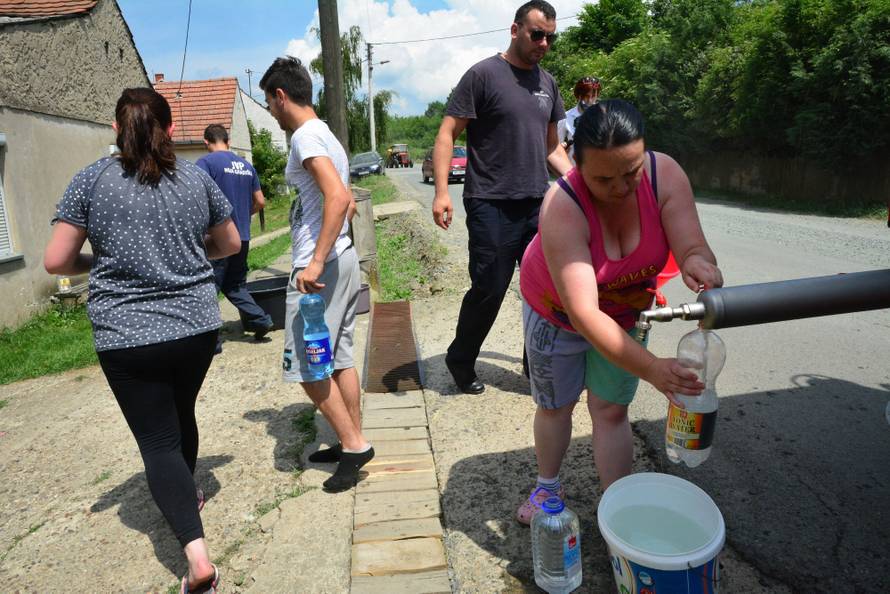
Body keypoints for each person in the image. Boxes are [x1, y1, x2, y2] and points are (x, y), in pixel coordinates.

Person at [44, 88, 241, 591]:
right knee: (181, 414)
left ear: (116, 128)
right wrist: (184, 253)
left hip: (127, 335)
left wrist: (100, 261)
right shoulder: (196, 178)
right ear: (171, 130)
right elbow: (230, 244)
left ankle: (197, 559)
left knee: (157, 439)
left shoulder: (90, 180)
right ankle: (186, 492)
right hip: (195, 327)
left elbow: (57, 261)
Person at [516, 99, 724, 524]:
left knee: (611, 409)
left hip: (627, 309)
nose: (621, 188)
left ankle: (618, 506)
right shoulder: (562, 204)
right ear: (576, 166)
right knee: (557, 405)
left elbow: (690, 243)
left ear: (644, 151)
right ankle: (547, 487)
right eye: (603, 178)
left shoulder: (664, 174)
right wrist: (651, 367)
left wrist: (696, 262)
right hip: (558, 312)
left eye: (631, 172)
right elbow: (584, 314)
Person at [432, 0, 573, 394]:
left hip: (536, 204)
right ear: (515, 30)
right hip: (490, 202)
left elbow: (552, 149)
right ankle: (460, 359)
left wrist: (581, 183)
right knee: (490, 288)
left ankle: (536, 364)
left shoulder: (547, 83)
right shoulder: (483, 75)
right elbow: (447, 134)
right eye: (537, 34)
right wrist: (442, 192)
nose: (544, 43)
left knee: (544, 289)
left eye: (550, 37)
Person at [259, 57, 373, 493]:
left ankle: (354, 443)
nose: (270, 111)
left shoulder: (305, 137)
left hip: (320, 268)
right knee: (339, 357)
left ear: (281, 96)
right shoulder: (326, 134)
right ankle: (350, 442)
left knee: (309, 368)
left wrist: (314, 261)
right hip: (342, 259)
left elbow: (338, 197)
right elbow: (349, 201)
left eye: (270, 102)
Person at [196, 124, 273, 353]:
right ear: (228, 141)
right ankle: (261, 320)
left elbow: (197, 197)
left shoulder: (206, 164)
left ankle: (212, 341)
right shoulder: (246, 166)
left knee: (210, 286)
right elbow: (260, 201)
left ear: (206, 142)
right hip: (243, 237)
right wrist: (240, 215)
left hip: (218, 240)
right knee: (235, 284)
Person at [557, 76, 601, 162]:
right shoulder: (565, 118)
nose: (590, 100)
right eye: (586, 96)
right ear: (579, 96)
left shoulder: (604, 117)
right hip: (571, 171)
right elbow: (556, 151)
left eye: (593, 96)